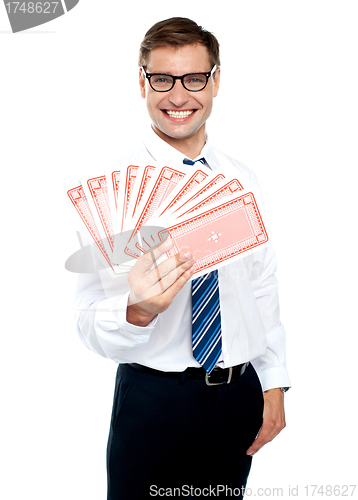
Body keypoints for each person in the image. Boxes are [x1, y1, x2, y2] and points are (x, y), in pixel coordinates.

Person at [75, 17, 291, 499]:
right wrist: (139, 309)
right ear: (141, 81)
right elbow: (85, 319)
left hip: (238, 395)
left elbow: (261, 285)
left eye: (194, 78)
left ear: (215, 81)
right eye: (163, 79)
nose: (178, 96)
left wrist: (272, 381)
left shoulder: (242, 178)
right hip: (154, 402)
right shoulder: (114, 187)